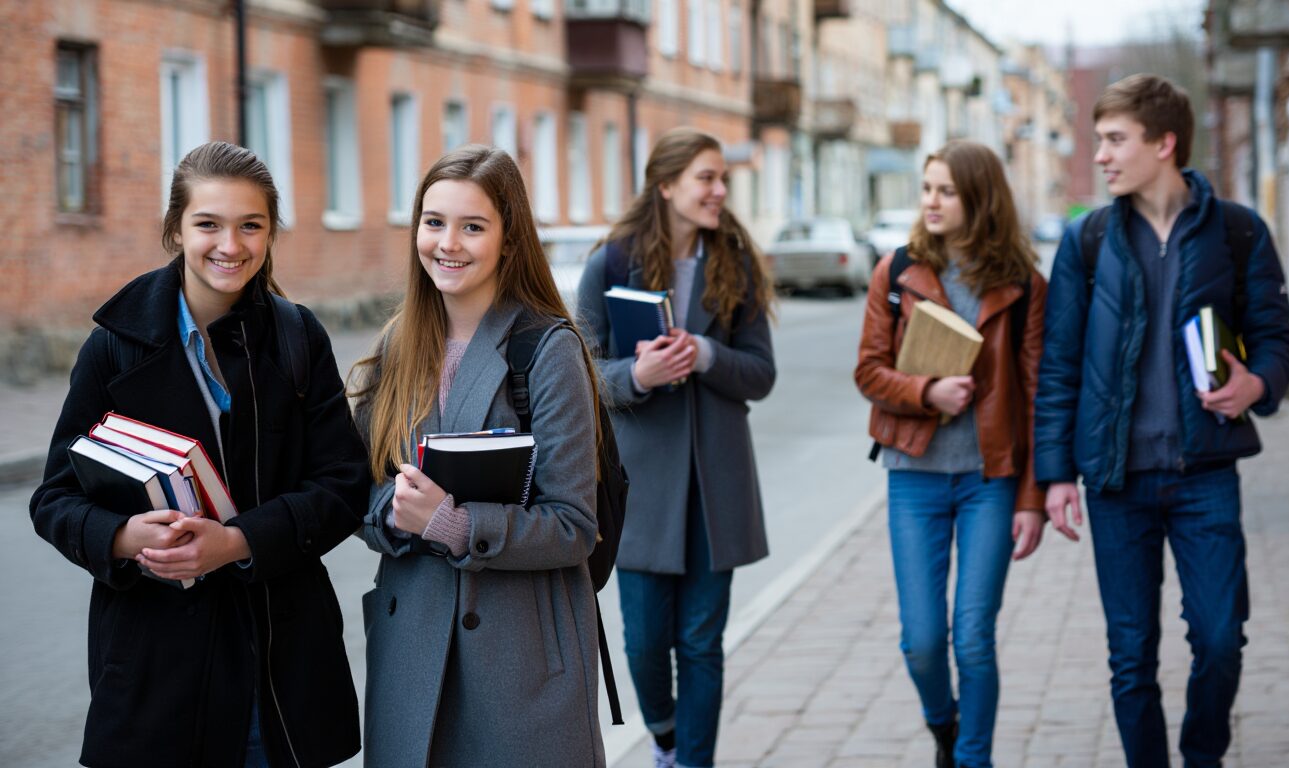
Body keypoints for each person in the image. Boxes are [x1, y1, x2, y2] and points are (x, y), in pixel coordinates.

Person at [29, 141, 367, 768]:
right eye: (208, 223)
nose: (229, 245)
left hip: (278, 669)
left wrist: (237, 543)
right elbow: (53, 500)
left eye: (251, 225)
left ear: (270, 233)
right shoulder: (114, 349)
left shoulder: (299, 338)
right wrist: (125, 536)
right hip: (158, 675)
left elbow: (344, 485)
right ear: (175, 229)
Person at [1035, 74, 1289, 768]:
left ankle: (1202, 756)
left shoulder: (1237, 232)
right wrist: (1055, 475)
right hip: (1117, 483)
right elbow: (1058, 365)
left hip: (1205, 474)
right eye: (1099, 140)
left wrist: (1257, 383)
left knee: (1219, 638)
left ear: (1165, 143)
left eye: (1115, 140)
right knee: (1132, 656)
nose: (1100, 156)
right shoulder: (1085, 241)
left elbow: (1276, 337)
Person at [351, 145, 605, 767]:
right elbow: (358, 490)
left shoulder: (548, 351)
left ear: (508, 240)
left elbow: (575, 527)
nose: (448, 243)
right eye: (434, 222)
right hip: (410, 653)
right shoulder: (395, 345)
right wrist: (393, 511)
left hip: (519, 661)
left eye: (472, 226)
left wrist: (451, 523)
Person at [574, 127, 776, 768]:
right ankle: (663, 737)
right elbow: (580, 376)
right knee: (646, 641)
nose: (720, 191)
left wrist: (707, 353)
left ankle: (693, 760)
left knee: (700, 642)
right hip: (643, 490)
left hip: (719, 482)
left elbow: (761, 373)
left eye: (723, 180)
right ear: (666, 186)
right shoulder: (610, 262)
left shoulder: (737, 265)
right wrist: (638, 376)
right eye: (706, 179)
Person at [853, 140, 1047, 768]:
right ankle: (945, 726)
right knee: (923, 642)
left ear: (980, 198)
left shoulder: (1022, 284)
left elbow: (1039, 396)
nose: (931, 201)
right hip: (915, 478)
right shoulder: (896, 272)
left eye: (946, 190)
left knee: (973, 638)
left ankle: (973, 759)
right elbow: (868, 373)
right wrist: (926, 390)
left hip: (991, 479)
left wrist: (1033, 498)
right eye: (927, 188)